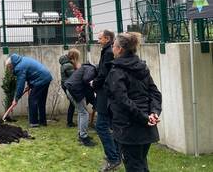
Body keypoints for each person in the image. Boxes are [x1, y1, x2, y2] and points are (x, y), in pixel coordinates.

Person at [106, 32, 162, 172]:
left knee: (134, 166)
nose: (112, 48)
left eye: (113, 45)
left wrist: (150, 115)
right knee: (141, 164)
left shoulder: (117, 71)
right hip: (145, 125)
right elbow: (155, 93)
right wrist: (153, 113)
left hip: (129, 128)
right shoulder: (141, 67)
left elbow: (123, 101)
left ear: (119, 49)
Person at [92, 30, 121, 171]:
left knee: (101, 126)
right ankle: (116, 155)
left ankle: (113, 157)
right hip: (107, 92)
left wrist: (94, 83)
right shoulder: (107, 50)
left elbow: (104, 72)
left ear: (107, 38)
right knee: (111, 125)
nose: (98, 41)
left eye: (100, 38)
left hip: (105, 93)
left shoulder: (109, 52)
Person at [6, 53, 53, 127]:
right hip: (46, 78)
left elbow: (20, 85)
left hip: (40, 80)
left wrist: (16, 98)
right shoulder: (22, 60)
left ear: (11, 64)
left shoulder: (19, 67)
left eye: (9, 67)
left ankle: (34, 123)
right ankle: (42, 122)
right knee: (41, 101)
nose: (9, 69)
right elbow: (31, 73)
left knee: (32, 100)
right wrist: (30, 85)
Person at [64, 61, 98, 147]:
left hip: (71, 88)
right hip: (74, 90)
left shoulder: (86, 67)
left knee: (81, 112)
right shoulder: (92, 69)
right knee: (84, 113)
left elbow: (89, 91)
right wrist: (93, 84)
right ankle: (83, 137)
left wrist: (94, 101)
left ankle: (81, 134)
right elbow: (86, 79)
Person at [59, 48, 80, 127]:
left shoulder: (67, 63)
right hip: (68, 86)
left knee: (72, 103)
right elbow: (75, 77)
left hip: (65, 85)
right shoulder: (68, 65)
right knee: (73, 103)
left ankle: (70, 122)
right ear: (74, 56)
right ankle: (69, 122)